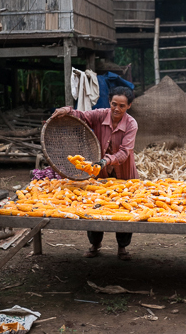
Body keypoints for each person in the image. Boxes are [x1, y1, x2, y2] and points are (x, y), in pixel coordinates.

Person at [51, 86, 139, 261]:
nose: (117, 109)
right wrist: (65, 110)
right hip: (100, 173)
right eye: (114, 104)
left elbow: (124, 152)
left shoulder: (131, 124)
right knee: (94, 206)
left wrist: (106, 160)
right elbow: (81, 115)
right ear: (109, 102)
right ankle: (95, 244)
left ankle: (122, 247)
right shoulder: (100, 115)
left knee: (123, 208)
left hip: (123, 173)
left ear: (129, 106)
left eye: (122, 106)